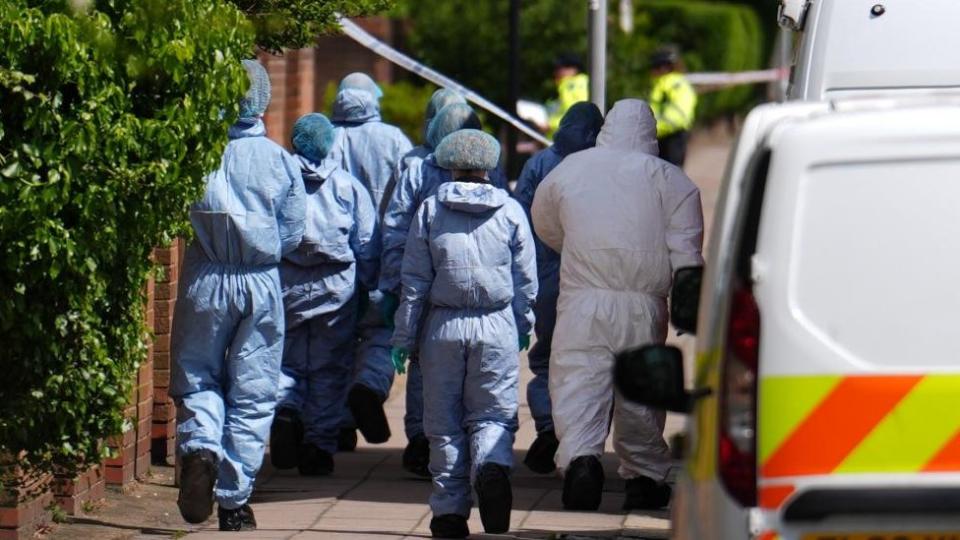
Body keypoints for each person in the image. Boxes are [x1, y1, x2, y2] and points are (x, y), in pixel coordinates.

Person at [531, 99, 703, 512]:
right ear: (651, 133)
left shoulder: (571, 169)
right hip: (643, 305)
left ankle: (581, 461)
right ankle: (644, 478)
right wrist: (687, 307)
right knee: (639, 396)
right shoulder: (672, 181)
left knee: (578, 383)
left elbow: (546, 222)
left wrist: (577, 249)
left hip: (582, 299)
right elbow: (687, 251)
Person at [170, 59, 306, 531]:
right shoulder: (280, 160)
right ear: (263, 100)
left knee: (197, 375)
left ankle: (200, 447)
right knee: (254, 389)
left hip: (205, 275)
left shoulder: (197, 153)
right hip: (260, 281)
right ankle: (233, 500)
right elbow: (292, 234)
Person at [391, 129, 537, 538]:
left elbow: (415, 282)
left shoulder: (430, 210)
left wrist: (404, 338)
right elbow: (526, 278)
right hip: (496, 323)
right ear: (489, 166)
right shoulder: (509, 211)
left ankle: (450, 513)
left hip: (444, 325)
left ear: (449, 163)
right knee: (492, 412)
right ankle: (491, 467)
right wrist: (524, 323)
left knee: (444, 421)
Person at [379, 103, 508, 477]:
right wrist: (522, 320)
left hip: (440, 309)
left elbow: (402, 244)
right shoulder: (507, 205)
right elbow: (523, 270)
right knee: (489, 395)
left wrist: (398, 308)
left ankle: (440, 479)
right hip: (492, 312)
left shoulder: (427, 200)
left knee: (435, 389)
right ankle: (489, 459)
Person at [269, 113, 379, 476]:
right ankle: (318, 444)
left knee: (287, 361)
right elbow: (366, 244)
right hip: (336, 288)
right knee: (330, 369)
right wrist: (367, 288)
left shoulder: (280, 183)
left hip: (288, 283)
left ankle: (286, 411)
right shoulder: (347, 186)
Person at [513, 101, 604, 475]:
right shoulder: (599, 166)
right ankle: (579, 439)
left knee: (546, 359)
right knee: (587, 362)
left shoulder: (538, 164)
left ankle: (549, 425)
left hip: (544, 277)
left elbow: (519, 218)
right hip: (589, 279)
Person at [327, 72, 413, 449]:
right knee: (381, 335)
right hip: (383, 256)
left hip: (336, 259)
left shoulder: (327, 136)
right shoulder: (393, 139)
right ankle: (370, 387)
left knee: (338, 342)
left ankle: (342, 424)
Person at [649, 46, 698, 167]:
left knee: (669, 178)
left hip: (671, 138)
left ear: (664, 67)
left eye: (655, 67)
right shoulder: (666, 83)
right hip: (664, 137)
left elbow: (678, 115)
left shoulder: (672, 84)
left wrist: (653, 129)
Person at [547, 54, 590, 138]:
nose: (555, 73)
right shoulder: (582, 83)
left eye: (559, 68)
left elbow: (574, 116)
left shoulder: (571, 85)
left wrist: (550, 125)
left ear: (572, 69)